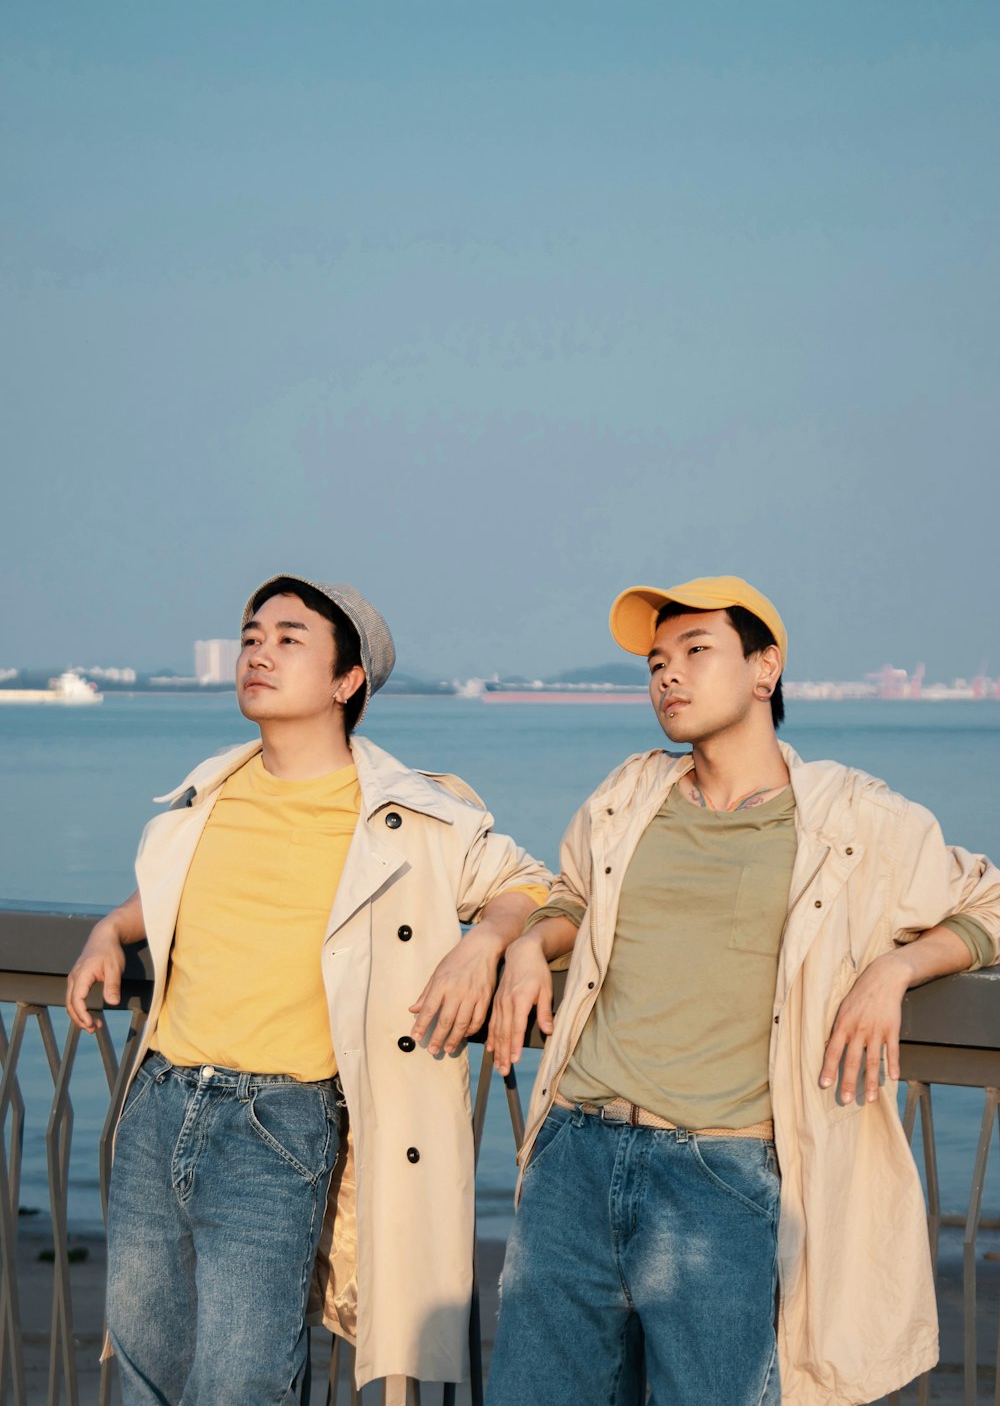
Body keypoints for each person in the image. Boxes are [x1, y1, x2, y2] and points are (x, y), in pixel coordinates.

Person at [485, 575, 1000, 1406]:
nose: (668, 676)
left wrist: (895, 969)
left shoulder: (854, 821)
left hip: (721, 1173)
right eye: (656, 662)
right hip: (575, 1153)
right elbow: (574, 897)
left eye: (696, 652)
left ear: (766, 670)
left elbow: (989, 903)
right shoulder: (630, 795)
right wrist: (522, 947)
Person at [66, 574, 550, 1406]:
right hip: (158, 1099)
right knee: (145, 1370)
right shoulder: (210, 792)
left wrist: (491, 944)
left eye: (290, 639)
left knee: (242, 1380)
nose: (258, 651)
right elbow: (177, 889)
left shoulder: (407, 814)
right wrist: (110, 929)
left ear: (346, 680)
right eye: (253, 636)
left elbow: (537, 882)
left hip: (279, 1119)